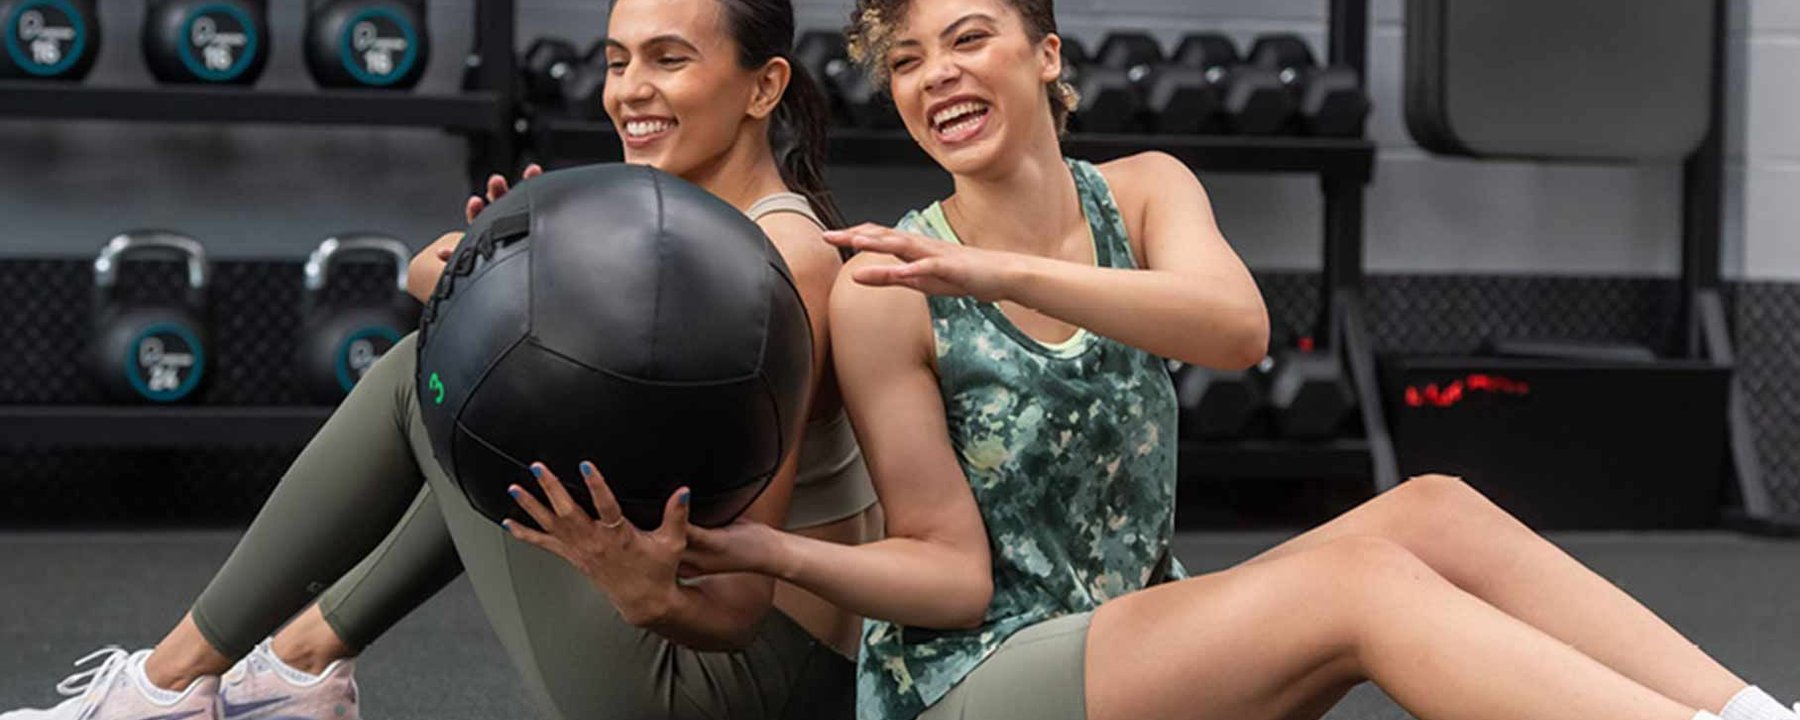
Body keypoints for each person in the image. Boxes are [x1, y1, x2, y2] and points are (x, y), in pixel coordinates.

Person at [675, 1, 1800, 719]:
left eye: (971, 37)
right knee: (1359, 585)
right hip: (983, 681)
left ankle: (1749, 714)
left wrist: (1002, 276)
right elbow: (951, 578)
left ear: (1045, 53)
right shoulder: (892, 290)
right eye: (909, 61)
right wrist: (769, 550)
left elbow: (1237, 329)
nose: (938, 77)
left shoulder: (1151, 189)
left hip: (1138, 635)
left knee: (1436, 510)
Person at [0, 0, 877, 718]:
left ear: (763, 87)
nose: (629, 91)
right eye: (616, 61)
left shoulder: (782, 261)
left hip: (743, 683)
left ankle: (168, 686)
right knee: (492, 389)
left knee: (442, 379)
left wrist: (492, 280)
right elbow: (441, 271)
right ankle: (291, 672)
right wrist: (501, 271)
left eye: (669, 60)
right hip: (692, 638)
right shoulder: (667, 223)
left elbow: (738, 601)